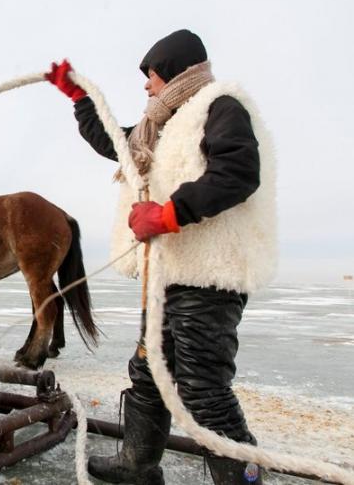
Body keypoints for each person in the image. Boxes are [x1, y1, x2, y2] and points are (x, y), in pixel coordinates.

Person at [46, 29, 276, 484]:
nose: (147, 87)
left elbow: (238, 172)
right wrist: (78, 98)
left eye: (150, 76)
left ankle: (244, 481)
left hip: (209, 276)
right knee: (149, 372)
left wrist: (170, 214)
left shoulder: (220, 107)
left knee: (201, 387)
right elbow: (115, 141)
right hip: (170, 277)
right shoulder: (165, 127)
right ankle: (138, 466)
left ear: (173, 73)